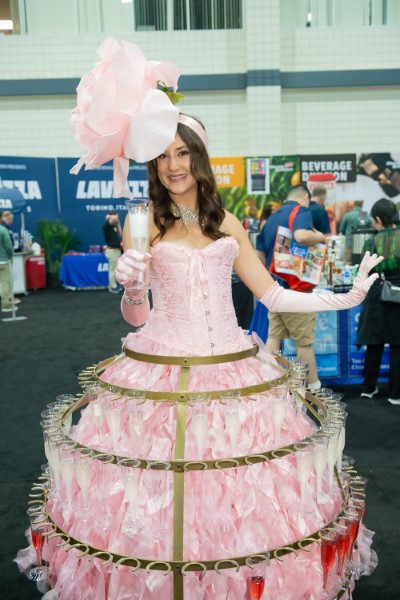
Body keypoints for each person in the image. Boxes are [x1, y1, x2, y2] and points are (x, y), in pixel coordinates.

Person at [17, 40, 380, 599]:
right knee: (150, 500)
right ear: (152, 163)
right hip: (158, 369)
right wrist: (131, 282)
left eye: (183, 153)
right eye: (163, 155)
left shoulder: (226, 222)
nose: (174, 165)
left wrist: (344, 298)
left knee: (243, 497)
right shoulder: (144, 221)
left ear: (199, 158)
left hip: (232, 368)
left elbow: (273, 296)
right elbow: (136, 317)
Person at [256, 184, 328, 393]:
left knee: (274, 337)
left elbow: (259, 255)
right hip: (295, 290)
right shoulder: (301, 211)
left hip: (274, 289)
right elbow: (301, 236)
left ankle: (269, 384)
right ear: (304, 197)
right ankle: (315, 390)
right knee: (303, 342)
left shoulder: (271, 219)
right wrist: (321, 237)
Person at [357, 198, 400, 404]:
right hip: (398, 297)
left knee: (374, 343)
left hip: (377, 295)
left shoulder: (372, 242)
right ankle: (395, 394)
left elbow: (362, 272)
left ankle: (368, 388)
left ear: (378, 219)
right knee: (398, 345)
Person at [339, 200, 372, 264]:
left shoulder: (348, 215)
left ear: (354, 205)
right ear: (362, 205)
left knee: (347, 263)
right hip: (363, 245)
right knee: (361, 264)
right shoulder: (364, 215)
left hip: (349, 243)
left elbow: (341, 230)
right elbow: (370, 230)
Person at [103, 210, 123, 293]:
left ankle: (115, 284)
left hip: (117, 251)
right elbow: (111, 220)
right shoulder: (106, 226)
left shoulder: (114, 227)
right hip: (112, 251)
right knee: (112, 269)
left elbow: (121, 234)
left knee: (115, 270)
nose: (117, 218)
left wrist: (118, 224)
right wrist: (110, 217)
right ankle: (112, 286)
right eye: (116, 216)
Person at [0, 216, 14, 312]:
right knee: (5, 282)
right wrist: (10, 256)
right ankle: (5, 304)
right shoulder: (3, 230)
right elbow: (8, 246)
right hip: (3, 261)